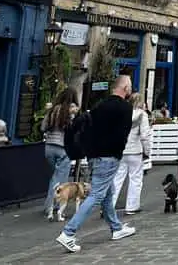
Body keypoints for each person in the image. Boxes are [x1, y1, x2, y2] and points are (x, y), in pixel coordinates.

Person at [56, 75, 135, 253]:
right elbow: (123, 133)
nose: (131, 89)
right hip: (109, 156)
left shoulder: (99, 105)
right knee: (97, 194)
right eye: (129, 86)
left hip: (93, 155)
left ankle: (116, 228)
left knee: (107, 192)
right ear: (124, 88)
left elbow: (88, 128)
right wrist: (117, 151)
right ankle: (68, 233)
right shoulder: (124, 107)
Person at [111, 92, 151, 215]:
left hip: (121, 149)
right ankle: (132, 206)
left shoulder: (122, 114)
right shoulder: (142, 115)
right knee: (135, 179)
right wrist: (147, 151)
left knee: (117, 179)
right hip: (135, 151)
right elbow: (145, 135)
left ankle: (109, 206)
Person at [42, 88, 79, 220]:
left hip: (49, 147)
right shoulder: (70, 111)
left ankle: (49, 205)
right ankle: (53, 207)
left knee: (55, 177)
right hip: (63, 148)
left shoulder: (52, 110)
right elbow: (73, 130)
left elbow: (43, 127)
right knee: (60, 180)